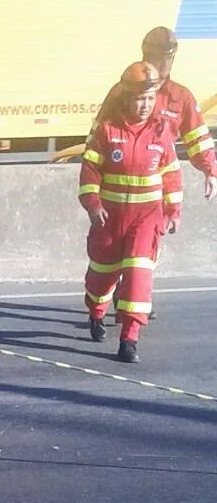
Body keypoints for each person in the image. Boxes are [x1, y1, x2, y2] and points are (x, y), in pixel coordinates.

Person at [79, 62, 182, 364]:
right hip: (109, 220)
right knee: (101, 278)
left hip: (146, 219)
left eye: (150, 99)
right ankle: (97, 313)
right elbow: (90, 171)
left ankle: (129, 339)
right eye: (139, 99)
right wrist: (93, 204)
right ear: (126, 98)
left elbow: (171, 173)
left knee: (139, 276)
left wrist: (173, 210)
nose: (145, 105)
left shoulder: (162, 133)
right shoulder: (106, 131)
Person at [94, 26, 216, 199]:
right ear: (147, 56)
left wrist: (211, 171)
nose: (165, 64)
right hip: (118, 195)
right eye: (160, 58)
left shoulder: (181, 97)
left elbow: (198, 140)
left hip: (157, 195)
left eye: (170, 58)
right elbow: (96, 139)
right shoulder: (121, 92)